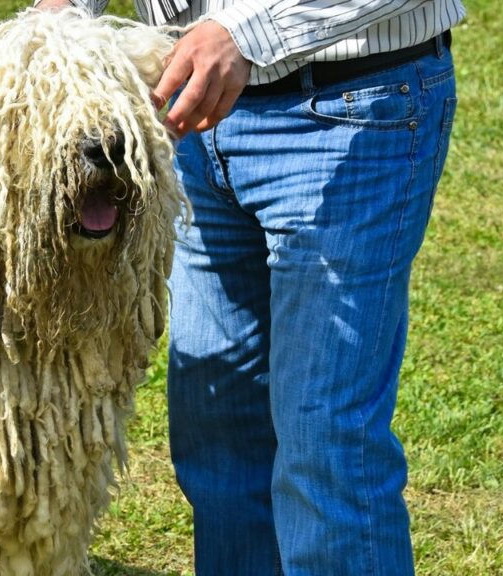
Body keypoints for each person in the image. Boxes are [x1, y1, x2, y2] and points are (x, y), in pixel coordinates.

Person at [35, 1, 465, 574]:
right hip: (192, 118)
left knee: (325, 444)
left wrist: (245, 34)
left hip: (351, 106)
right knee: (219, 435)